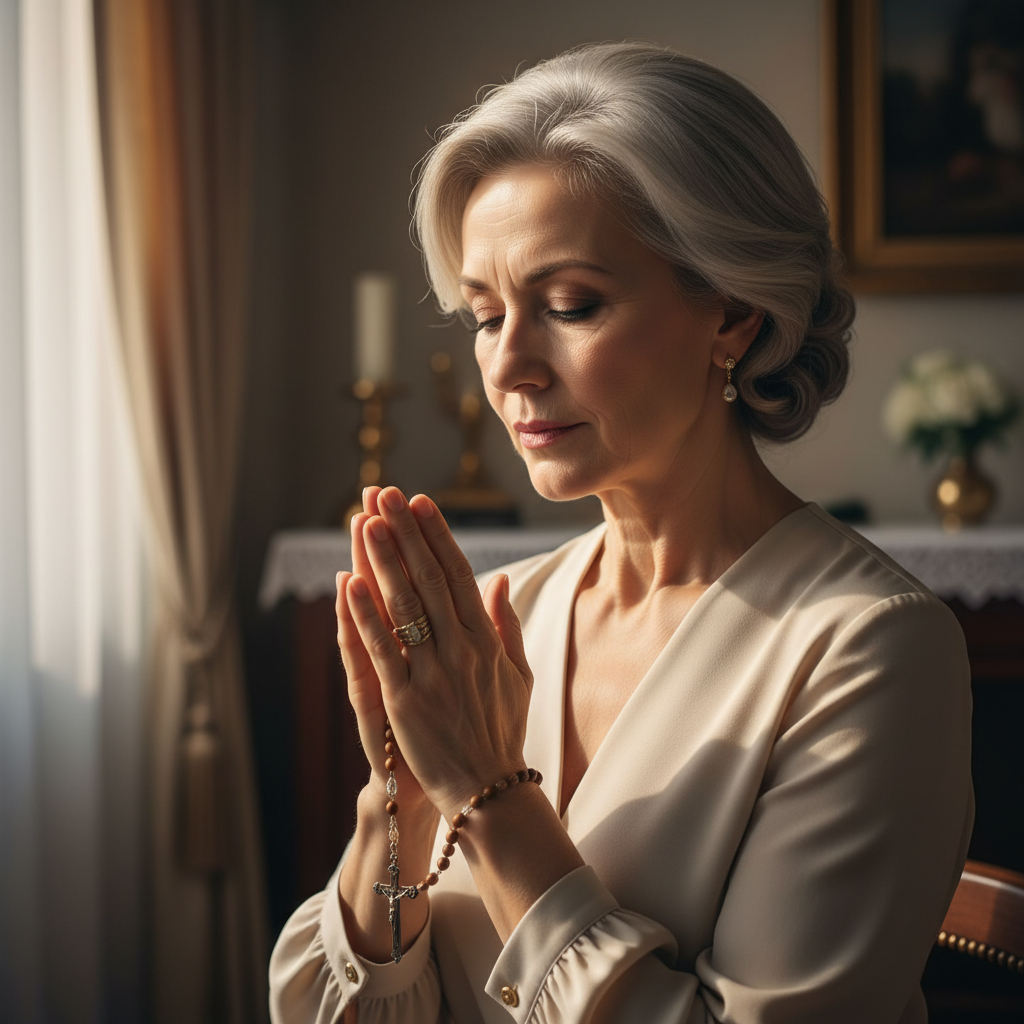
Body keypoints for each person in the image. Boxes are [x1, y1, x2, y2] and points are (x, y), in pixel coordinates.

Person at [269, 42, 973, 1024]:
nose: (508, 364)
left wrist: (487, 792)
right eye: (483, 314)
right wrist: (401, 807)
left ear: (729, 313)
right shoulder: (499, 619)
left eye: (571, 305)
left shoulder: (868, 648)